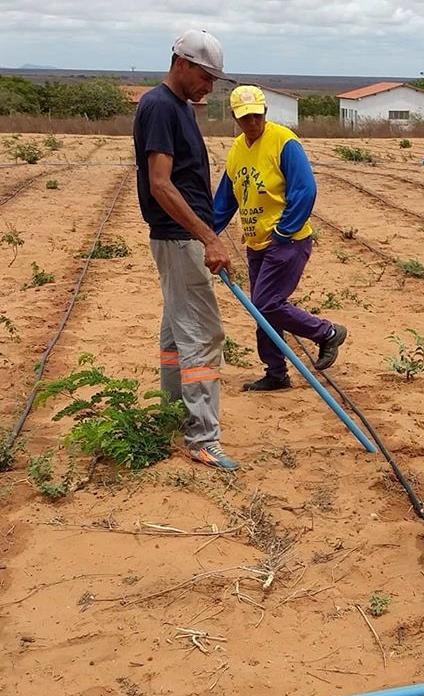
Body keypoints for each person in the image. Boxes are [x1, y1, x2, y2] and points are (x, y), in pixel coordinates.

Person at [133, 29, 239, 470]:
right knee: (203, 334)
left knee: (178, 331)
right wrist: (208, 236)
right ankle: (201, 435)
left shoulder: (177, 107)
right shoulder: (160, 107)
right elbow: (161, 184)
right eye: (205, 76)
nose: (209, 87)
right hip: (180, 238)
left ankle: (173, 411)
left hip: (181, 237)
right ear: (181, 63)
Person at [213, 85, 347, 392]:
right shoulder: (237, 149)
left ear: (265, 113)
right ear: (235, 117)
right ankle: (275, 372)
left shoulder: (284, 142)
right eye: (245, 118)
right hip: (256, 243)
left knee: (266, 303)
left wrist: (283, 231)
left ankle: (326, 333)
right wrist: (207, 233)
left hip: (287, 241)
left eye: (256, 116)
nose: (252, 123)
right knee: (261, 310)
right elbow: (226, 198)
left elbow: (305, 189)